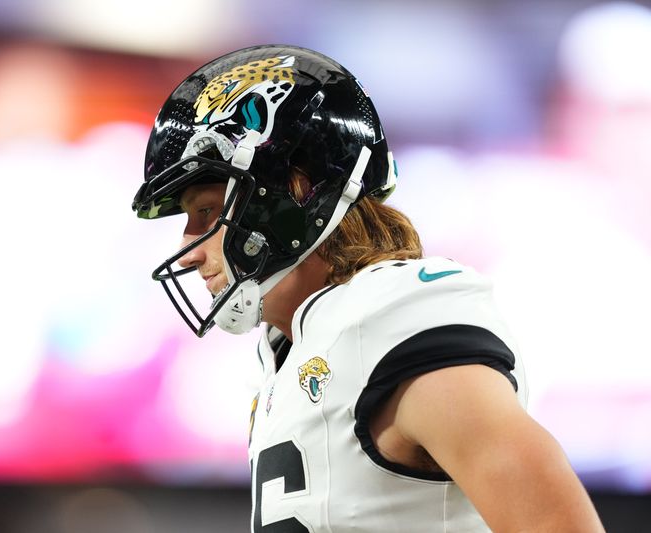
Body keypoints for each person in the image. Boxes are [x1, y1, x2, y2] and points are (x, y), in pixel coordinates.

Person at [132, 45, 604, 532]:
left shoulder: (395, 317)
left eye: (206, 211)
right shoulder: (288, 350)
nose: (188, 248)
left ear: (294, 192)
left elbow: (557, 524)